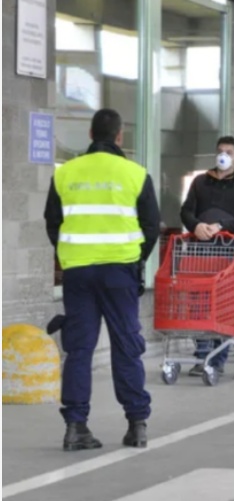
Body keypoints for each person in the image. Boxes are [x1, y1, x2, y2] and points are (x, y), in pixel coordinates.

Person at [43, 108, 160, 451]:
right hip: (119, 272)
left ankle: (76, 427)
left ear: (91, 136)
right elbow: (151, 226)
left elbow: (53, 222)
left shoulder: (66, 174)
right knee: (127, 346)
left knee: (79, 349)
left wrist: (70, 252)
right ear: (120, 136)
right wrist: (135, 260)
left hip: (78, 272)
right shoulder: (135, 174)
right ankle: (136, 424)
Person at [180, 135, 234, 376]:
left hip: (228, 253)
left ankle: (218, 358)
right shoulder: (201, 181)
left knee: (223, 304)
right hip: (200, 252)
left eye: (229, 151)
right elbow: (186, 211)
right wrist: (196, 226)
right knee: (199, 304)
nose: (223, 155)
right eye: (220, 151)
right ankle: (203, 354)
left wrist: (220, 226)